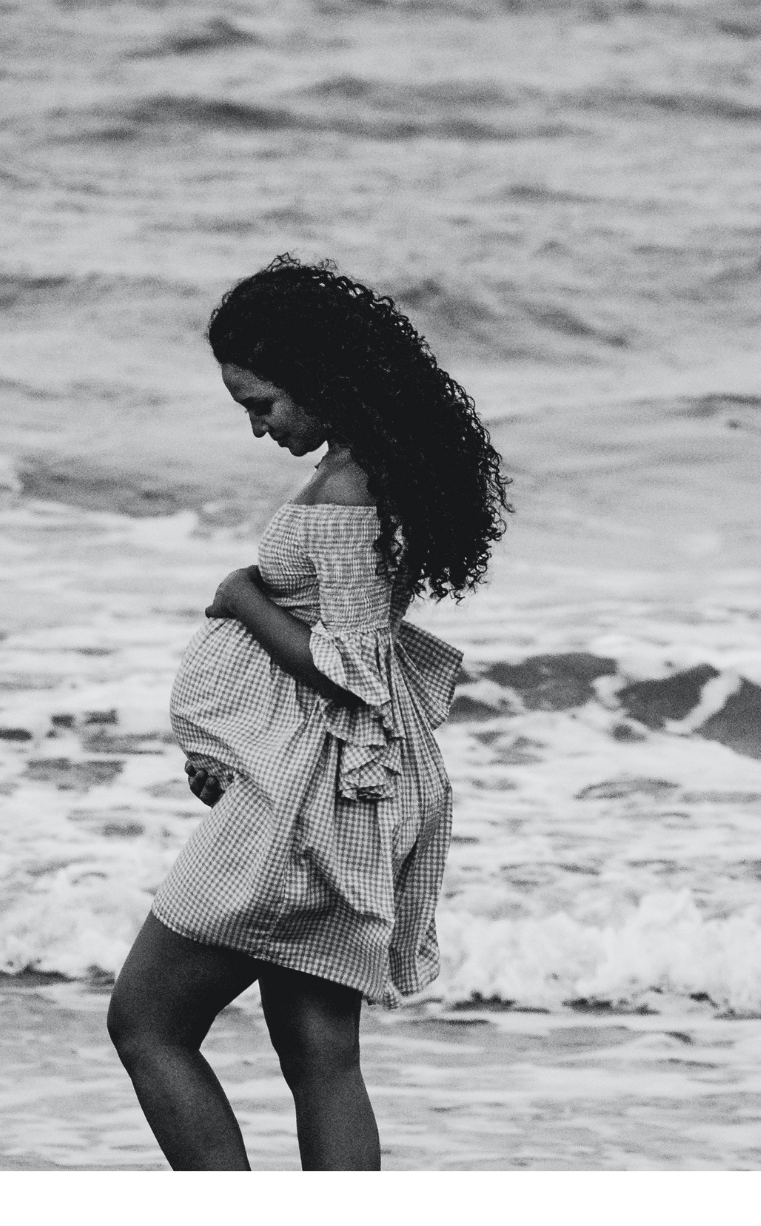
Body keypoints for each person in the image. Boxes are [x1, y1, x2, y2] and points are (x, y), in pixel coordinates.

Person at [107, 255, 510, 1170]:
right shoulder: (368, 471)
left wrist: (241, 594)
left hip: (315, 800)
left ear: (326, 381)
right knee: (318, 1053)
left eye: (264, 403)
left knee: (147, 1023)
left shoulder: (349, 492)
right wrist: (238, 746)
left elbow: (353, 669)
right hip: (334, 785)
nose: (258, 428)